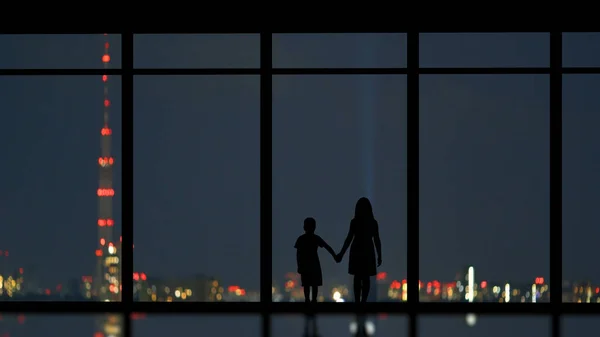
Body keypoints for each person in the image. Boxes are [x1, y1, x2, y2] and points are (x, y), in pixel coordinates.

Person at [336, 197, 382, 303]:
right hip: (368, 250)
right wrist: (379, 254)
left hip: (356, 250)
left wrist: (341, 254)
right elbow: (377, 240)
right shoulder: (373, 222)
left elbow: (349, 239)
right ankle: (363, 301)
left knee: (357, 277)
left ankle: (357, 301)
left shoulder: (355, 222)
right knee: (366, 278)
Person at [295, 217, 338, 303]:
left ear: (304, 227)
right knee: (314, 285)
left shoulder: (301, 239)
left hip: (305, 265)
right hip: (314, 264)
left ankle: (307, 300)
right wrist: (335, 256)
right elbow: (327, 247)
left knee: (306, 284)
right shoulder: (315, 238)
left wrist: (299, 265)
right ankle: (314, 301)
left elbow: (298, 254)